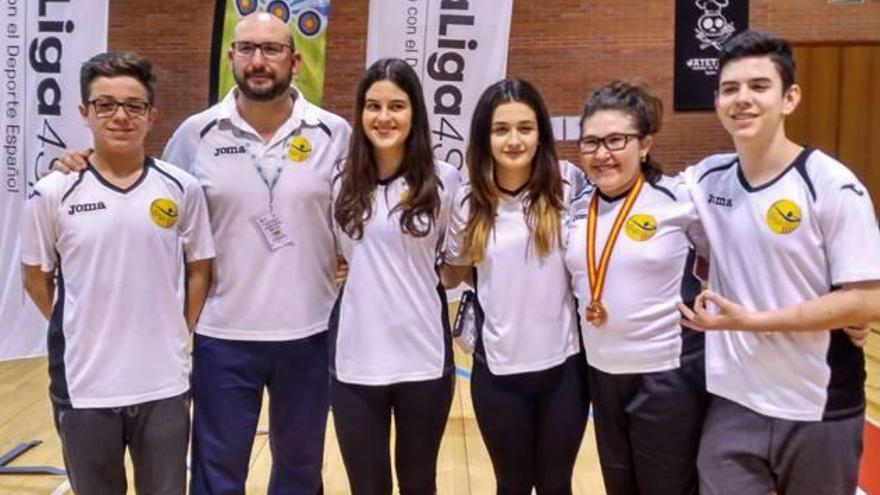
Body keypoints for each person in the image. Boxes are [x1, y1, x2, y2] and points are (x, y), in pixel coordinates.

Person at [51, 12, 351, 495]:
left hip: (311, 330)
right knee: (216, 471)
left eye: (271, 50)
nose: (258, 60)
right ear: (231, 56)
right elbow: (146, 190)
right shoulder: (196, 134)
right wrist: (85, 161)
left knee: (300, 468)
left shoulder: (334, 134)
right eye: (247, 49)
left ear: (295, 60)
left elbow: (359, 214)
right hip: (221, 335)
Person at [680, 30, 880, 495]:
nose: (742, 99)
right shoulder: (705, 180)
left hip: (817, 407)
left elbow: (869, 299)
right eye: (730, 89)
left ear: (789, 98)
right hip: (733, 403)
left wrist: (754, 321)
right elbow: (639, 205)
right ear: (717, 102)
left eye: (758, 86)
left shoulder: (830, 185)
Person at [20, 51, 215, 495]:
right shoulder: (51, 192)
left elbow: (200, 269)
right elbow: (35, 278)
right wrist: (79, 326)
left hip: (163, 382)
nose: (120, 116)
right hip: (85, 385)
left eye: (134, 105)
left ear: (152, 115)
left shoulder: (182, 187)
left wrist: (176, 330)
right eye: (105, 104)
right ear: (84, 113)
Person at [442, 77, 589, 495]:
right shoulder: (468, 200)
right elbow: (453, 274)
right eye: (501, 129)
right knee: (512, 484)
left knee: (557, 484)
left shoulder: (568, 185)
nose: (513, 139)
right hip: (498, 372)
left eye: (525, 128)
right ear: (484, 136)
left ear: (540, 132)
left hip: (564, 370)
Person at [564, 80, 708, 495]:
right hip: (601, 375)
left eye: (615, 140)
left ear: (644, 144)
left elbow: (737, 254)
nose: (601, 154)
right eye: (590, 142)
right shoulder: (576, 210)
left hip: (666, 377)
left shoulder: (679, 199)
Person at [329, 57, 461, 495]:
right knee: (367, 485)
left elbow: (454, 265)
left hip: (422, 355)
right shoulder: (339, 181)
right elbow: (329, 253)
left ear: (415, 113)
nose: (384, 117)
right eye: (373, 106)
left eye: (397, 106)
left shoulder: (444, 181)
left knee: (419, 481)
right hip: (356, 357)